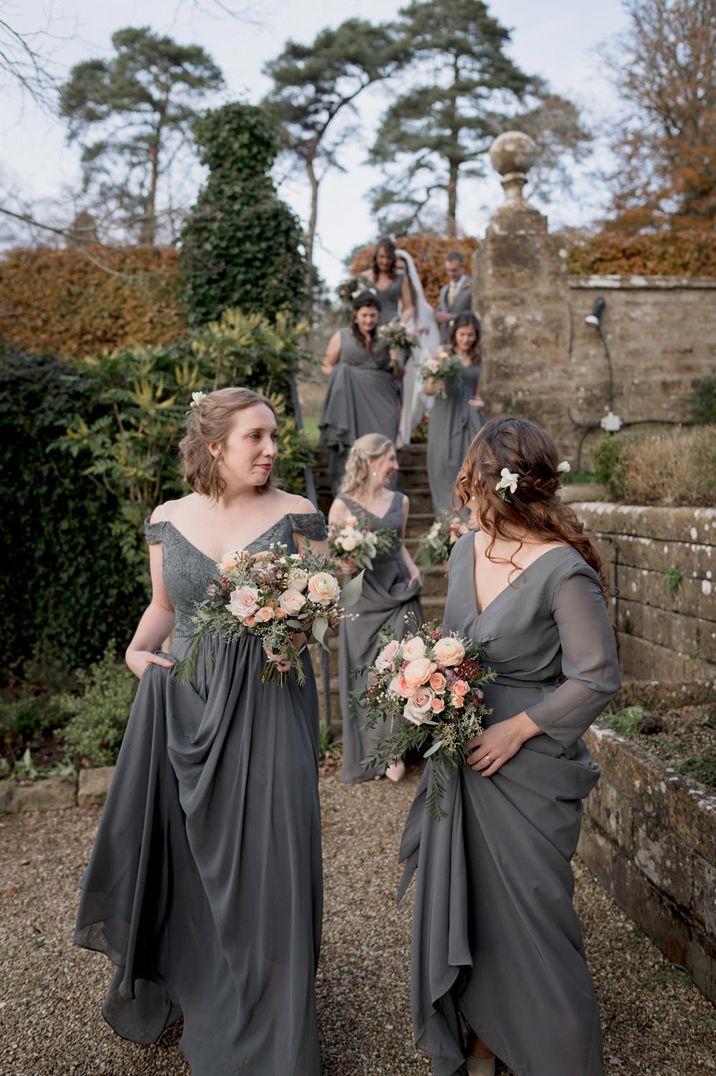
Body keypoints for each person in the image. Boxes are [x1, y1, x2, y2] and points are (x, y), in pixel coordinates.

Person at [74, 388, 327, 1076]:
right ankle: (202, 981)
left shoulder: (300, 516)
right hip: (184, 699)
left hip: (270, 699)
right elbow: (162, 607)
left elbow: (326, 612)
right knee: (188, 854)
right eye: (257, 437)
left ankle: (276, 1012)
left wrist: (297, 629)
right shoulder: (167, 517)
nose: (273, 449)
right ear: (216, 446)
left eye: (275, 436)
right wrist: (134, 651)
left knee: (275, 849)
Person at [398, 417, 621, 1076]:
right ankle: (485, 1042)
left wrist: (518, 728)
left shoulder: (563, 570)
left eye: (472, 476)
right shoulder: (465, 551)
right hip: (461, 757)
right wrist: (422, 678)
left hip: (528, 768)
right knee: (473, 911)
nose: (463, 487)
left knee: (534, 922)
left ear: (500, 482)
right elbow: (456, 645)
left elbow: (597, 676)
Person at [328, 434, 423, 785]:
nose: (396, 467)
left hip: (399, 594)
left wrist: (413, 571)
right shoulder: (342, 506)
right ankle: (373, 751)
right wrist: (345, 565)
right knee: (367, 677)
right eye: (390, 460)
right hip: (363, 599)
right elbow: (338, 557)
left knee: (400, 671)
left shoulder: (402, 500)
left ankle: (395, 750)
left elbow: (399, 546)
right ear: (370, 462)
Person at [319, 291, 402, 492]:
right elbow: (326, 365)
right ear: (355, 315)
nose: (368, 320)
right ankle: (349, 498)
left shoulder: (388, 337)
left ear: (378, 315)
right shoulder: (342, 336)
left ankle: (385, 497)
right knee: (352, 450)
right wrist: (343, 377)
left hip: (382, 401)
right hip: (351, 402)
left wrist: (397, 357)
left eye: (372, 315)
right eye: (364, 315)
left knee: (383, 447)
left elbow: (398, 374)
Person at [425, 312, 486, 514]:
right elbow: (429, 389)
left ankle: (470, 518)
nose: (466, 339)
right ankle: (447, 520)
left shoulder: (478, 359)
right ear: (455, 334)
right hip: (445, 414)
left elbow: (477, 393)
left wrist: (479, 403)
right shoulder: (443, 353)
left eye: (470, 335)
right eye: (462, 334)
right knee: (442, 464)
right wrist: (441, 371)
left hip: (469, 418)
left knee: (470, 466)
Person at [395, 248, 440, 445]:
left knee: (409, 394)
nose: (399, 271)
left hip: (412, 352)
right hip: (393, 350)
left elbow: (425, 321)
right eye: (395, 267)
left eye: (402, 268)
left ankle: (403, 433)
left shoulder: (414, 296)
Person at [362, 235, 414, 326]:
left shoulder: (401, 277)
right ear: (376, 257)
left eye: (388, 257)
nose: (385, 261)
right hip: (369, 326)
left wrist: (399, 325)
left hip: (391, 327)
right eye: (381, 257)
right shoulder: (364, 277)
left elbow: (408, 308)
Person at [436, 251, 473, 345]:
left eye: (454, 270)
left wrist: (451, 317)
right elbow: (441, 309)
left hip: (465, 340)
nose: (451, 274)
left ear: (462, 268)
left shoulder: (473, 287)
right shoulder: (444, 289)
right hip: (445, 339)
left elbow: (475, 313)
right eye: (448, 270)